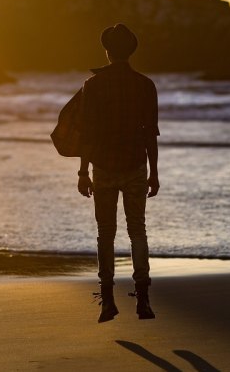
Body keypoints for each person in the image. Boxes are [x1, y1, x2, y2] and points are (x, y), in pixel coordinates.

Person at [77, 23, 160, 323]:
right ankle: (143, 301)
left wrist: (83, 171)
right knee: (137, 231)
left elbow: (87, 133)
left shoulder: (94, 85)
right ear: (131, 51)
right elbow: (151, 133)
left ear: (108, 52)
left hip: (104, 166)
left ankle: (108, 302)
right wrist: (154, 173)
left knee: (105, 234)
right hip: (137, 165)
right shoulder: (145, 85)